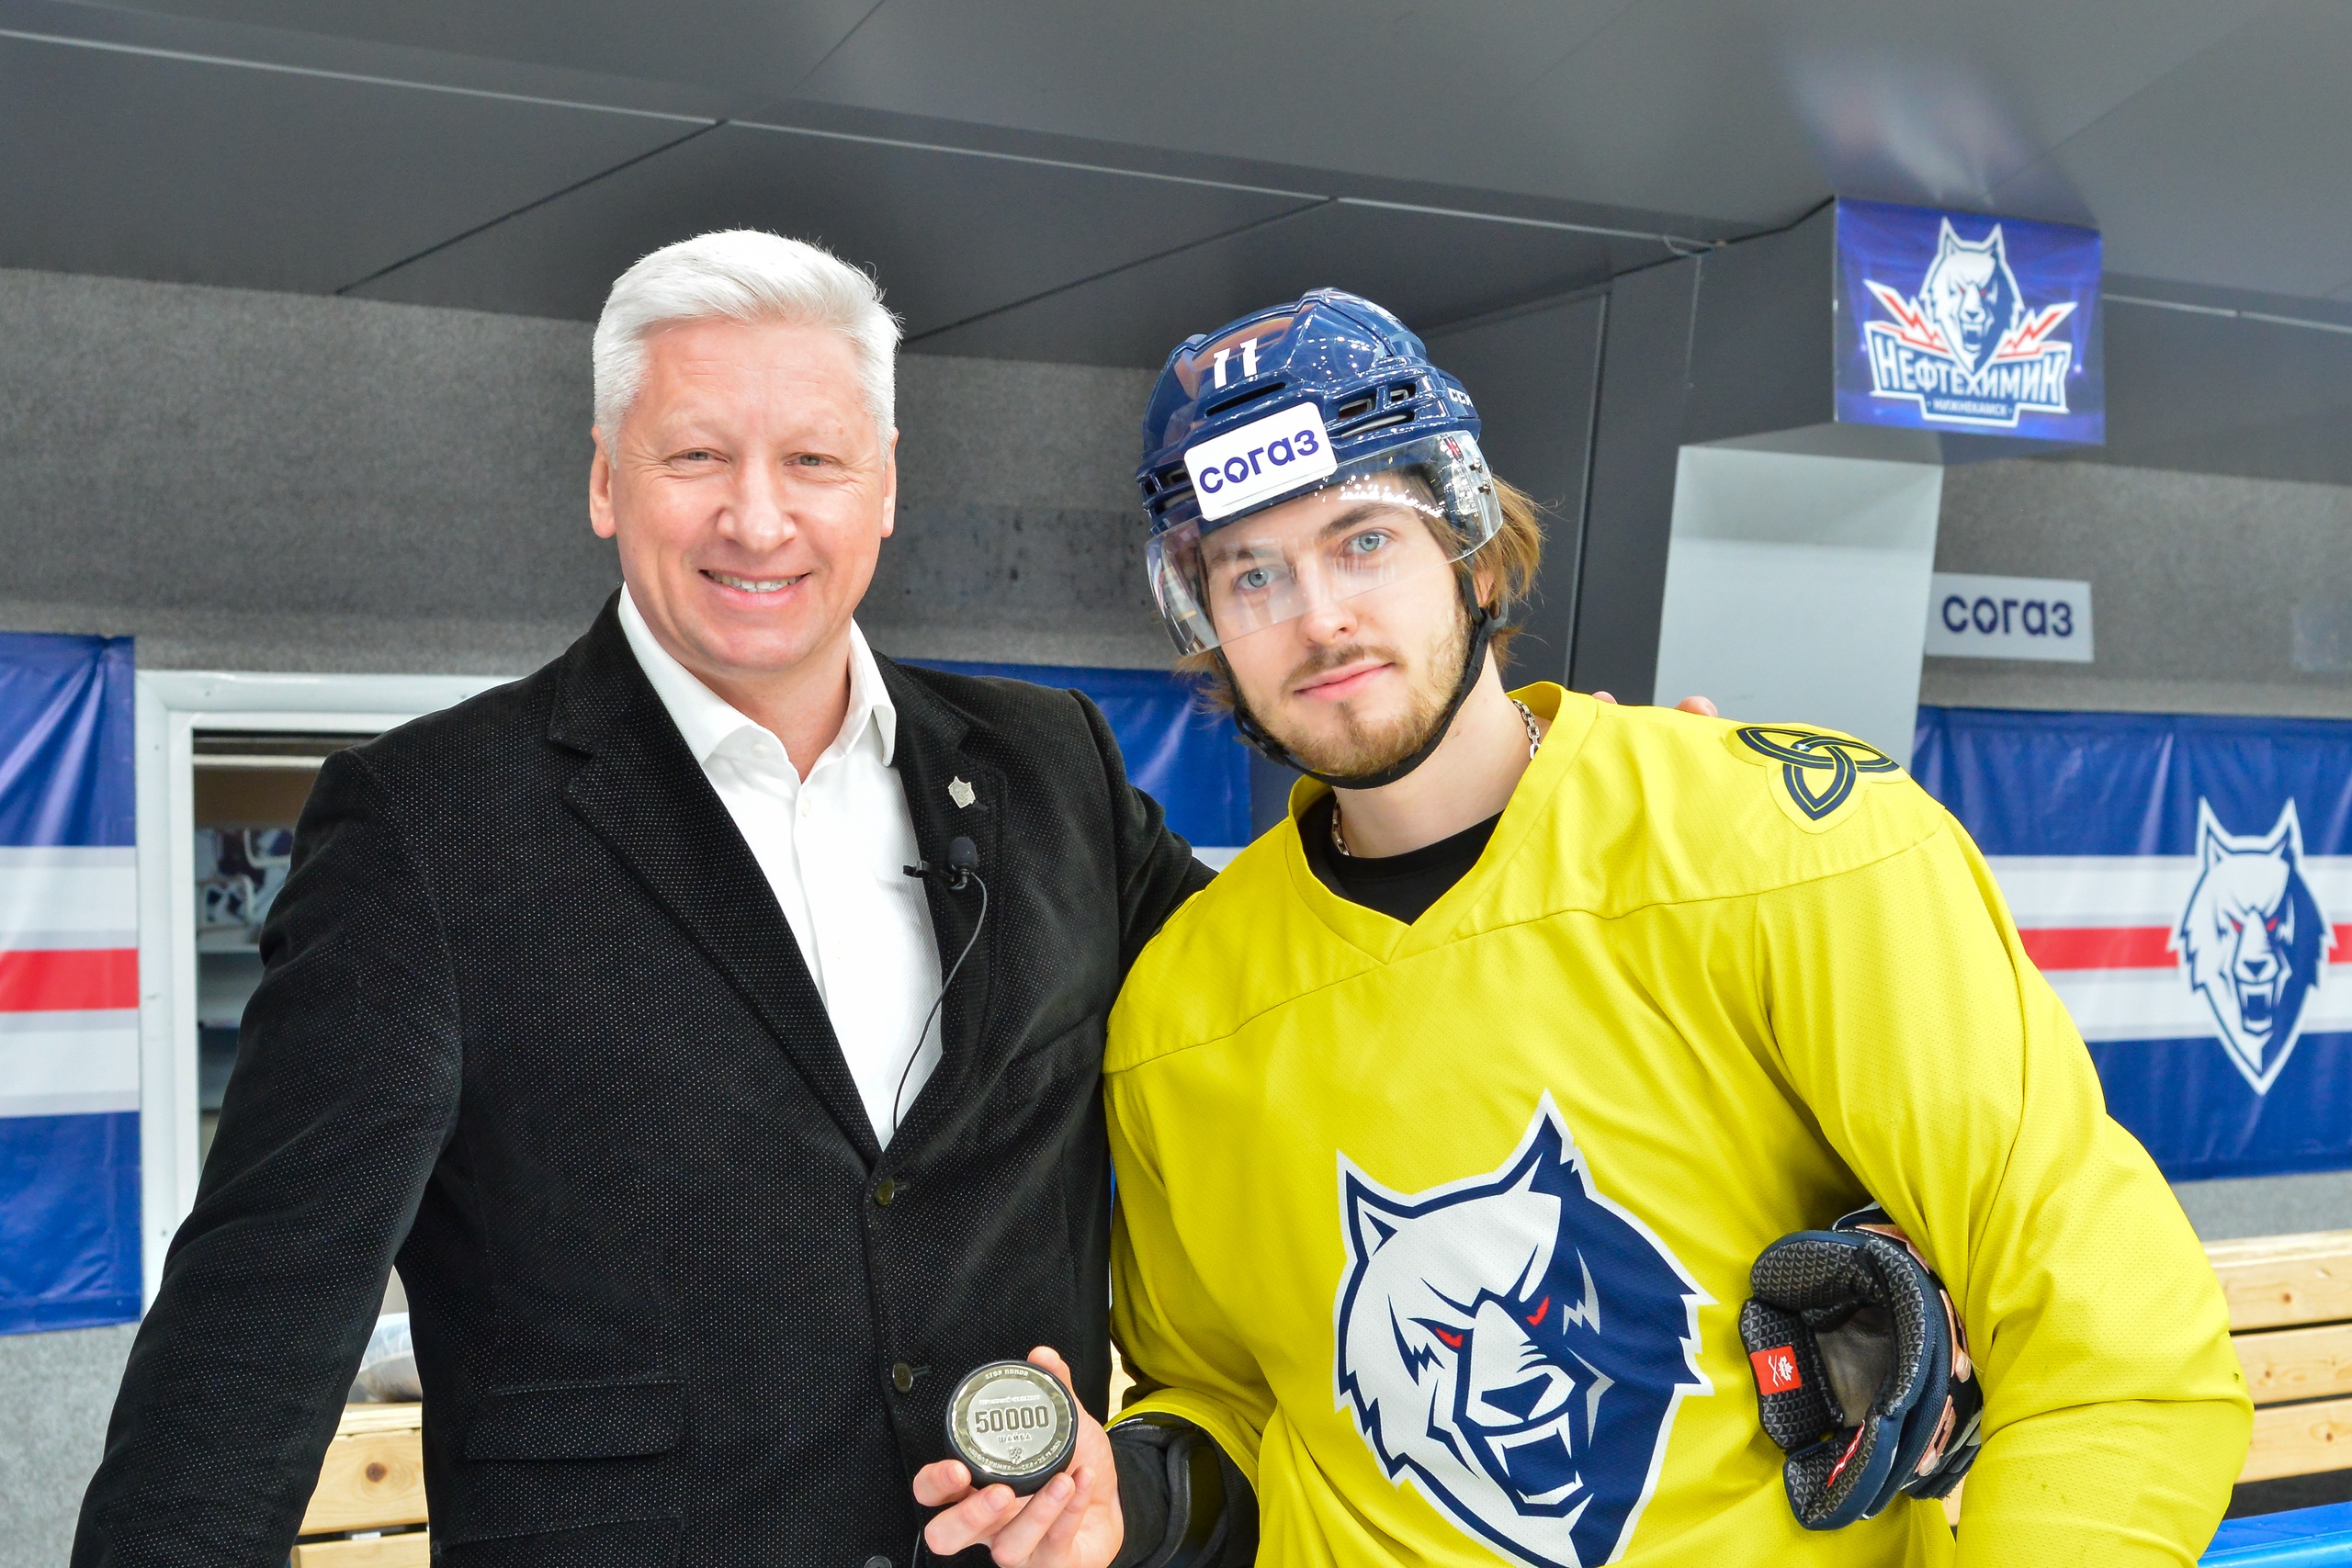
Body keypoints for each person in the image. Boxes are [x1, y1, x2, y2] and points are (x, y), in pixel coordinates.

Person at [916, 289, 2252, 1567]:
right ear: (1205, 621)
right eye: (1251, 574)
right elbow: (1237, 1403)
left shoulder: (1787, 848)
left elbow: (2114, 1348)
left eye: (1364, 540)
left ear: (1471, 542)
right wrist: (1140, 1499)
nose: (1318, 617)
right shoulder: (1179, 1014)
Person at [72, 231, 1210, 1568]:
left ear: (887, 484)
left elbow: (1287, 1002)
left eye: (814, 460)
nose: (759, 520)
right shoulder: (428, 824)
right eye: (697, 456)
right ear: (606, 480)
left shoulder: (1050, 768)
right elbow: (254, 1315)